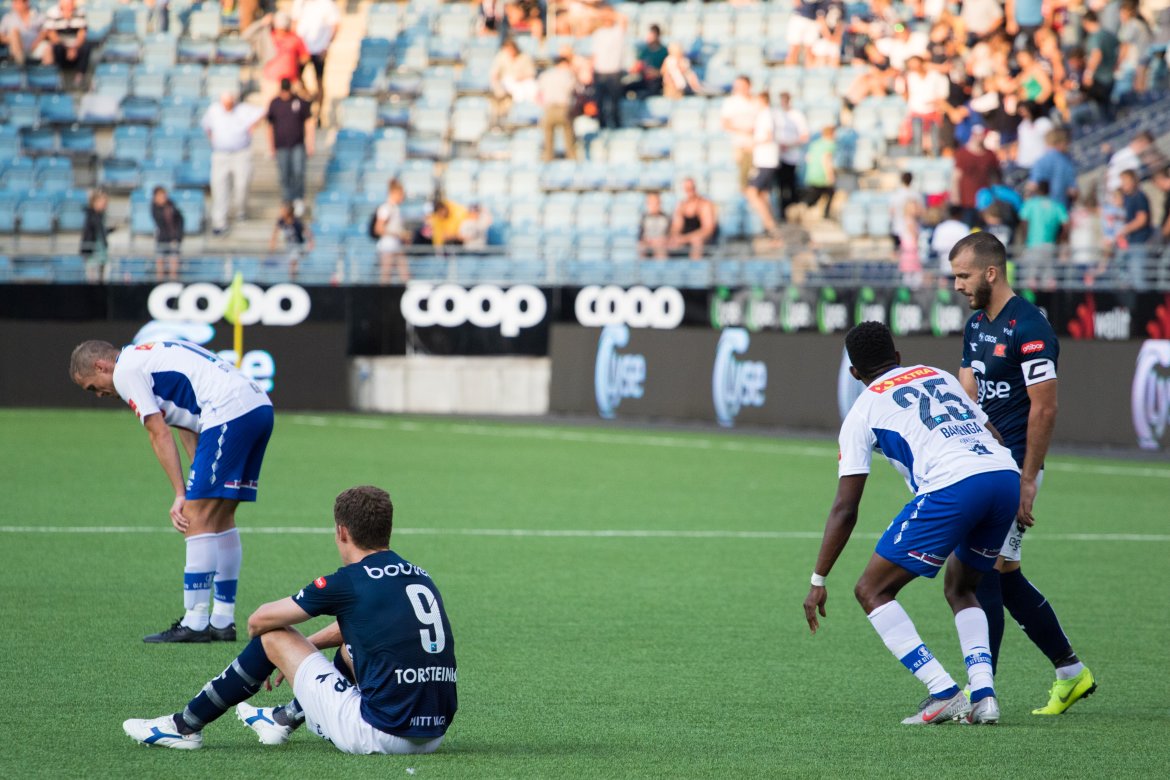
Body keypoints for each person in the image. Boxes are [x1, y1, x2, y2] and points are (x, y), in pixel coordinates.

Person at [122, 485, 457, 754]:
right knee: (350, 650)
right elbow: (364, 626)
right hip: (433, 735)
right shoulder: (419, 575)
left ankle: (184, 726)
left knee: (273, 636)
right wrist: (305, 649)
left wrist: (283, 653)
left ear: (342, 532)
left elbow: (258, 621)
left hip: (379, 734)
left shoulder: (348, 581)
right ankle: (282, 719)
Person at [803, 321, 1019, 726]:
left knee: (871, 589)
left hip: (955, 485)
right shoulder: (938, 375)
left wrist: (818, 579)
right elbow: (994, 435)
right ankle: (984, 695)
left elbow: (845, 508)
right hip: (1004, 477)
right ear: (898, 356)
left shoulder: (862, 410)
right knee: (962, 587)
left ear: (854, 373)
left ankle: (944, 692)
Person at [948, 232, 1097, 716]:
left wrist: (1027, 478)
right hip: (983, 466)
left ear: (991, 272)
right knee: (1004, 575)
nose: (957, 285)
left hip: (1014, 469)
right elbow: (969, 391)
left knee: (982, 573)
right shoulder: (976, 325)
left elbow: (1044, 408)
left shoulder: (1030, 327)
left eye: (964, 275)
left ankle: (981, 691)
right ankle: (1071, 672)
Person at [69, 338, 274, 643]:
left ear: (101, 366)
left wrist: (182, 494)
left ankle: (195, 621)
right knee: (220, 516)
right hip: (257, 407)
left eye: (92, 387)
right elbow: (186, 424)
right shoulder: (148, 355)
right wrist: (196, 483)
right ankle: (222, 620)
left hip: (229, 412)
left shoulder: (125, 371)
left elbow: (158, 432)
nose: (99, 394)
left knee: (195, 516)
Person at [202, 91, 266, 235]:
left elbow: (262, 112)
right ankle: (219, 221)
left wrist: (253, 126)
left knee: (242, 184)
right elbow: (206, 126)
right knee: (219, 187)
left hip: (240, 153)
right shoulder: (214, 110)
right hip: (220, 154)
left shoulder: (243, 109)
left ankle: (240, 210)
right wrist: (213, 139)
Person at [267, 78, 315, 216]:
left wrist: (310, 143)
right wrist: (271, 146)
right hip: (281, 145)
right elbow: (270, 126)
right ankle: (287, 201)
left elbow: (308, 122)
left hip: (297, 144)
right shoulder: (275, 103)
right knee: (284, 174)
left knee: (298, 172)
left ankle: (298, 198)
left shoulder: (299, 102)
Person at [744, 91, 782, 239]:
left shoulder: (765, 115)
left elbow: (768, 135)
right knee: (763, 194)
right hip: (765, 160)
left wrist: (753, 144)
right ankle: (771, 226)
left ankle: (770, 226)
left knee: (751, 192)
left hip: (766, 161)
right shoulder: (766, 115)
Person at [290, 0, 339, 112]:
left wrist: (327, 46)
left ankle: (319, 111)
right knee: (296, 78)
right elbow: (294, 24)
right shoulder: (299, 3)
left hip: (319, 49)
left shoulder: (327, 4)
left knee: (319, 81)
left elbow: (336, 25)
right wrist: (297, 48)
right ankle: (308, 98)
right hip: (303, 49)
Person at [952, 125, 999, 227]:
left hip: (986, 200)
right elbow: (956, 177)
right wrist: (956, 197)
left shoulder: (990, 154)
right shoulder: (962, 154)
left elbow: (995, 176)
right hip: (967, 201)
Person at [720, 75, 759, 192]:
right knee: (745, 178)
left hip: (757, 144)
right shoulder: (731, 102)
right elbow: (725, 124)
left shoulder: (756, 101)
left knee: (756, 178)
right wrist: (744, 130)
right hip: (740, 144)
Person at [774, 92, 808, 222]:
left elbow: (804, 136)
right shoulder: (776, 115)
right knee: (780, 187)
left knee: (791, 186)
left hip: (792, 157)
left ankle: (793, 214)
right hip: (777, 157)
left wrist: (789, 144)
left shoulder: (797, 115)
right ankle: (782, 214)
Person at [591, 6, 626, 130]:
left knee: (615, 103)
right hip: (600, 72)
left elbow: (624, 19)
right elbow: (594, 54)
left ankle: (616, 126)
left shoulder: (617, 31)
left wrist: (608, 13)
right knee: (600, 103)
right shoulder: (598, 33)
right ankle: (602, 126)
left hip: (614, 72)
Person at [1117, 168, 1153, 289]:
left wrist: (1124, 230)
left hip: (1139, 243)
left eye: (1125, 181)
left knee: (1138, 279)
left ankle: (1143, 300)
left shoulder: (1139, 197)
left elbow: (1141, 219)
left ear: (1133, 181)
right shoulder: (1127, 198)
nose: (1123, 184)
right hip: (1130, 243)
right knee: (1127, 279)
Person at [537, 55, 577, 162]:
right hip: (563, 108)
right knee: (569, 138)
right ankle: (572, 160)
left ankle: (548, 161)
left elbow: (539, 92)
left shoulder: (545, 75)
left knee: (548, 140)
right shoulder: (568, 75)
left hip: (549, 109)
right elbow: (573, 90)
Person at [41, 0, 90, 86]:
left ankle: (80, 75)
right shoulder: (52, 13)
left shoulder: (80, 12)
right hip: (61, 45)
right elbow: (52, 35)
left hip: (75, 45)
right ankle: (59, 74)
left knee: (86, 47)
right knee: (56, 47)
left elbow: (82, 34)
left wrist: (74, 48)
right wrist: (67, 49)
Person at [668, 178, 717, 260]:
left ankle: (695, 266)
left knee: (697, 242)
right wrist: (675, 237)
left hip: (702, 239)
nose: (689, 191)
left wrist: (685, 239)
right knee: (665, 242)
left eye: (692, 188)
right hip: (685, 238)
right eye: (687, 189)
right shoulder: (681, 205)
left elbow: (708, 230)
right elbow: (676, 227)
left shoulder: (705, 204)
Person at [1028, 128, 1078, 209]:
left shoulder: (1039, 162)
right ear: (1060, 143)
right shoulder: (1066, 161)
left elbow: (1033, 186)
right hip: (1062, 209)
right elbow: (1073, 191)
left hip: (1043, 210)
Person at [262, 12, 309, 96]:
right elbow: (248, 35)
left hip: (291, 81)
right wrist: (262, 23)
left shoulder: (295, 38)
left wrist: (295, 65)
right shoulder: (268, 36)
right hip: (272, 81)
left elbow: (305, 58)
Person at [374, 178, 410, 283]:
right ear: (394, 193)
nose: (402, 197)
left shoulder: (396, 208)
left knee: (405, 274)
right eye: (401, 194)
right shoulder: (386, 208)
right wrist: (398, 234)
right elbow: (378, 229)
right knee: (386, 275)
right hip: (388, 246)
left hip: (396, 245)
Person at [270, 201, 312, 279]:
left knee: (293, 258)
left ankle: (293, 276)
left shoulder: (297, 222)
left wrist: (311, 242)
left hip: (298, 244)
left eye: (283, 210)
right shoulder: (282, 220)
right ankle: (293, 275)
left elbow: (307, 232)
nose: (281, 212)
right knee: (291, 259)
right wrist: (273, 242)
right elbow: (275, 232)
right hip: (289, 245)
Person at [802, 126, 836, 220]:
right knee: (830, 193)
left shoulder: (815, 144)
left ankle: (804, 210)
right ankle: (826, 214)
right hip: (822, 175)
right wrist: (830, 176)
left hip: (811, 174)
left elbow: (808, 158)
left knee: (814, 195)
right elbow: (826, 160)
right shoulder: (830, 144)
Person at [152, 186, 185, 281]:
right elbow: (160, 221)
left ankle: (173, 282)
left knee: (174, 262)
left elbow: (180, 220)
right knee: (160, 262)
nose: (163, 197)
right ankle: (160, 282)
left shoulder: (172, 205)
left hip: (174, 239)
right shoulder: (155, 208)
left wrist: (178, 237)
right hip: (162, 239)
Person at [80, 188, 111, 284]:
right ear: (94, 202)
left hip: (102, 254)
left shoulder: (100, 216)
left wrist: (111, 229)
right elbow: (92, 231)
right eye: (102, 202)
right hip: (92, 254)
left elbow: (101, 232)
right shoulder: (91, 215)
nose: (104, 205)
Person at [0, 0, 45, 66]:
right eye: (14, 3)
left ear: (26, 3)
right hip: (16, 48)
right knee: (14, 32)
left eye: (17, 2)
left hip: (35, 46)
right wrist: (13, 39)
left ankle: (49, 71)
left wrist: (35, 43)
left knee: (48, 48)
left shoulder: (38, 15)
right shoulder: (8, 18)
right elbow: (1, 36)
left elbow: (46, 31)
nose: (14, 5)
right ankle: (21, 66)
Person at [630, 23, 666, 97]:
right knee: (626, 87)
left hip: (657, 81)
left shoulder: (664, 51)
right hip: (645, 80)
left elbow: (666, 71)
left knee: (652, 89)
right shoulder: (644, 50)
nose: (648, 37)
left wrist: (656, 72)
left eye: (651, 35)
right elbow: (637, 66)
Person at [638, 191, 670, 259]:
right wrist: (647, 241)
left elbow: (669, 235)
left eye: (656, 203)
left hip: (661, 243)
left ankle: (661, 264)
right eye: (651, 203)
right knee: (641, 248)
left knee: (661, 249)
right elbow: (640, 236)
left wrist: (660, 241)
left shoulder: (666, 218)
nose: (654, 206)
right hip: (648, 242)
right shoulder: (644, 218)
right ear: (648, 204)